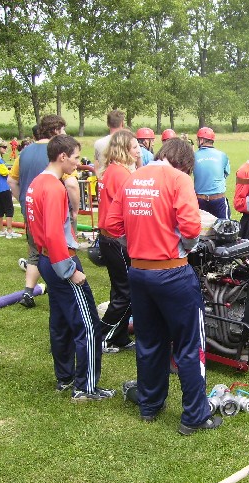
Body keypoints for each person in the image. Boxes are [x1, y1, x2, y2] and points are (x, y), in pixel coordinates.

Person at [106, 137, 222, 435]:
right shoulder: (179, 179)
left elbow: (111, 224)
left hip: (139, 273)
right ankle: (195, 415)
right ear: (185, 164)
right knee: (189, 345)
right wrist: (184, 246)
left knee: (149, 341)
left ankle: (150, 404)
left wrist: (136, 243)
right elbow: (191, 228)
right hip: (172, 273)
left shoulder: (132, 178)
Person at [26, 135, 114, 401]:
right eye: (75, 157)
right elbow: (53, 234)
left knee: (61, 321)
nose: (78, 163)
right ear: (62, 156)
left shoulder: (36, 183)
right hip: (60, 261)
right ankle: (85, 388)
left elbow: (38, 229)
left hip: (45, 259)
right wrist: (70, 270)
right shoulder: (53, 188)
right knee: (88, 325)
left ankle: (64, 378)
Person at [8, 114, 67, 308]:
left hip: (31, 211)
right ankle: (59, 289)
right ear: (55, 130)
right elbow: (70, 182)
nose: (65, 133)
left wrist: (24, 200)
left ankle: (28, 292)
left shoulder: (24, 152)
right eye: (63, 129)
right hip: (53, 210)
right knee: (57, 249)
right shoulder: (58, 152)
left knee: (35, 252)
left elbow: (11, 180)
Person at [97, 130, 139, 354]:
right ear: (124, 149)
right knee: (127, 293)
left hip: (109, 238)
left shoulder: (111, 170)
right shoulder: (121, 174)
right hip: (116, 239)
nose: (139, 150)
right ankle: (103, 337)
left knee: (120, 290)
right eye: (134, 147)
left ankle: (119, 336)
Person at [193, 127, 231, 219]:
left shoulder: (193, 156)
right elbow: (226, 173)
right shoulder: (222, 155)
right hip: (218, 199)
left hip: (200, 200)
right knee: (224, 226)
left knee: (200, 227)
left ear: (201, 140)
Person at [0, 139, 20, 239]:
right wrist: (13, 172)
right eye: (4, 147)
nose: (6, 149)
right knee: (9, 208)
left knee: (0, 208)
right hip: (3, 187)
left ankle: (2, 230)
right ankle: (9, 230)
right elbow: (4, 172)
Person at [93, 109, 126, 174]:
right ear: (122, 123)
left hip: (105, 177)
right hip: (127, 178)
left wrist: (100, 178)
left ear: (108, 124)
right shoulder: (131, 141)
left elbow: (96, 165)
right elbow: (139, 164)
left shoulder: (98, 143)